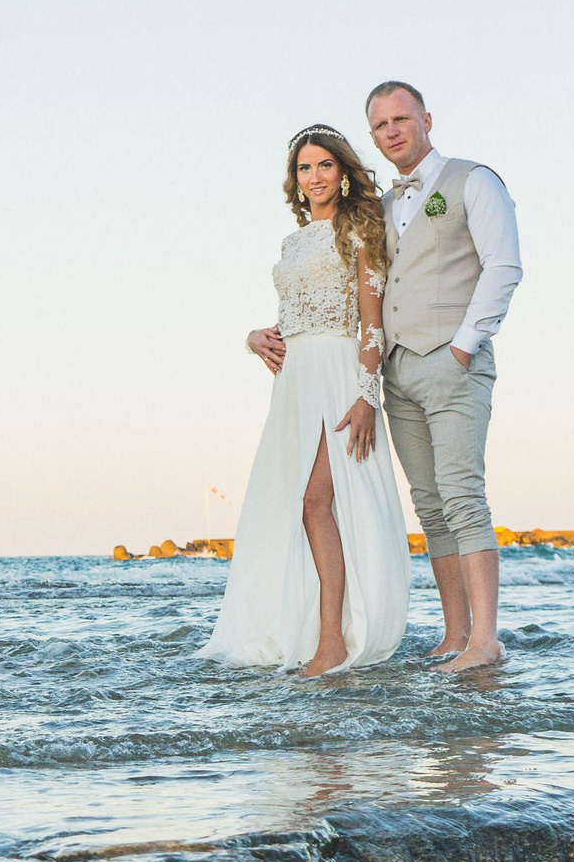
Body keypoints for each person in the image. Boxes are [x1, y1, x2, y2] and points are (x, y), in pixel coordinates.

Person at [247, 82, 522, 672]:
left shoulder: (473, 181)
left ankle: (484, 641)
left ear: (427, 119)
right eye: (380, 125)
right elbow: (324, 297)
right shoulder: (383, 208)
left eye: (401, 119)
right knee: (430, 505)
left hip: (448, 361)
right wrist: (258, 336)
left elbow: (503, 266)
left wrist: (463, 347)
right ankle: (454, 636)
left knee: (462, 496)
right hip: (395, 370)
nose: (392, 131)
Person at [202, 125, 412, 674]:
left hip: (338, 373)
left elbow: (371, 322)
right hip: (294, 381)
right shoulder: (292, 243)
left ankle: (333, 643)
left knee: (316, 501)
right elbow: (295, 313)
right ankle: (305, 629)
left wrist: (366, 397)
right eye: (303, 168)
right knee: (293, 504)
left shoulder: (360, 228)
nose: (313, 176)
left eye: (324, 165)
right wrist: (254, 338)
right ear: (294, 179)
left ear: (341, 173)